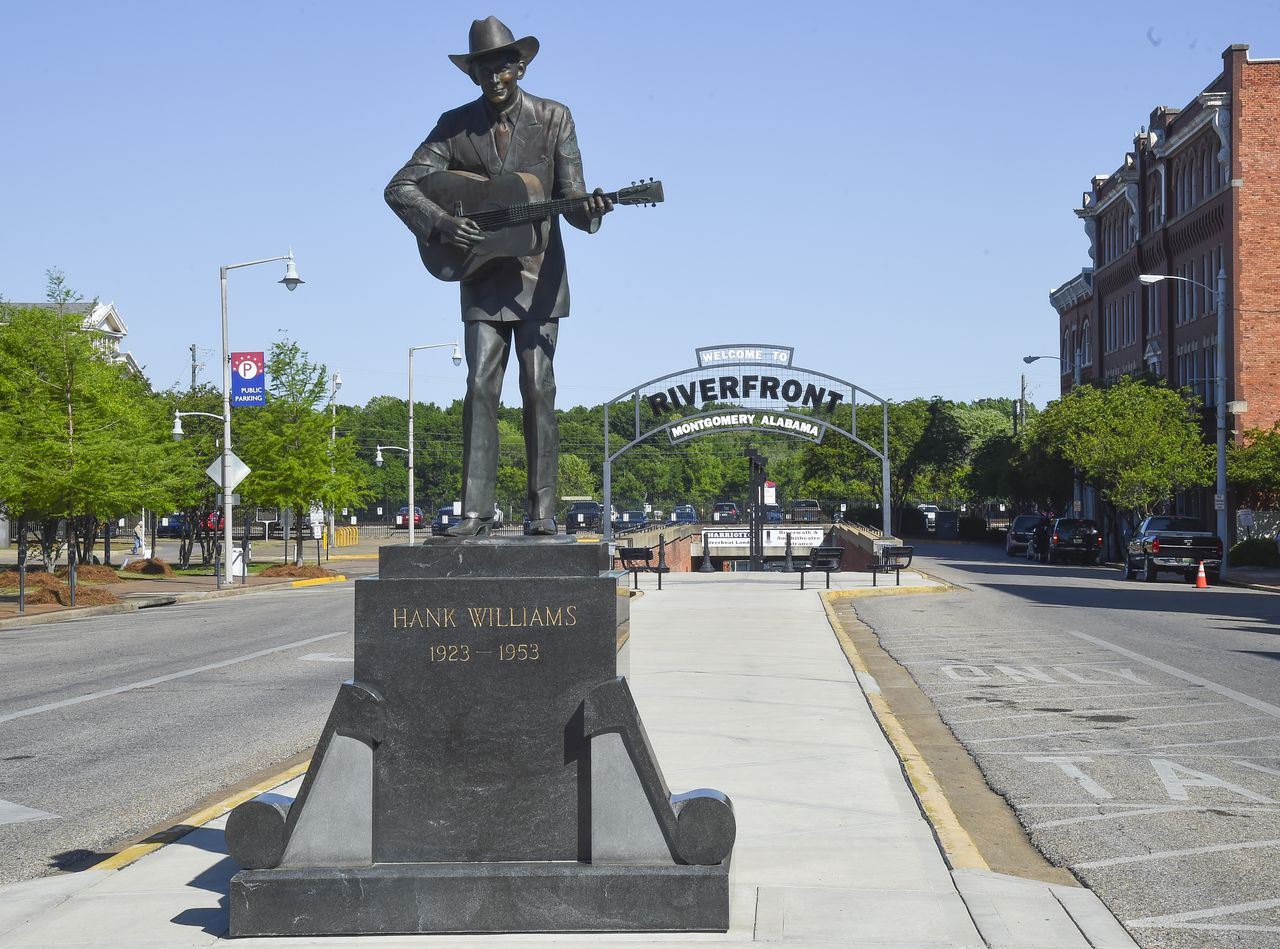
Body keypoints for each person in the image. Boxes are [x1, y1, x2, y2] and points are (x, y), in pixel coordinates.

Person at [384, 16, 612, 537]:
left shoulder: (555, 118)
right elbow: (400, 188)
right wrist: (442, 221)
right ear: (473, 74)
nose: (492, 76)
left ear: (519, 66)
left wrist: (591, 208)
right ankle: (474, 512)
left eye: (501, 66)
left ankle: (542, 512)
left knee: (538, 387)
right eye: (483, 68)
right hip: (481, 274)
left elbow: (573, 198)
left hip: (539, 277)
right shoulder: (454, 125)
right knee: (480, 385)